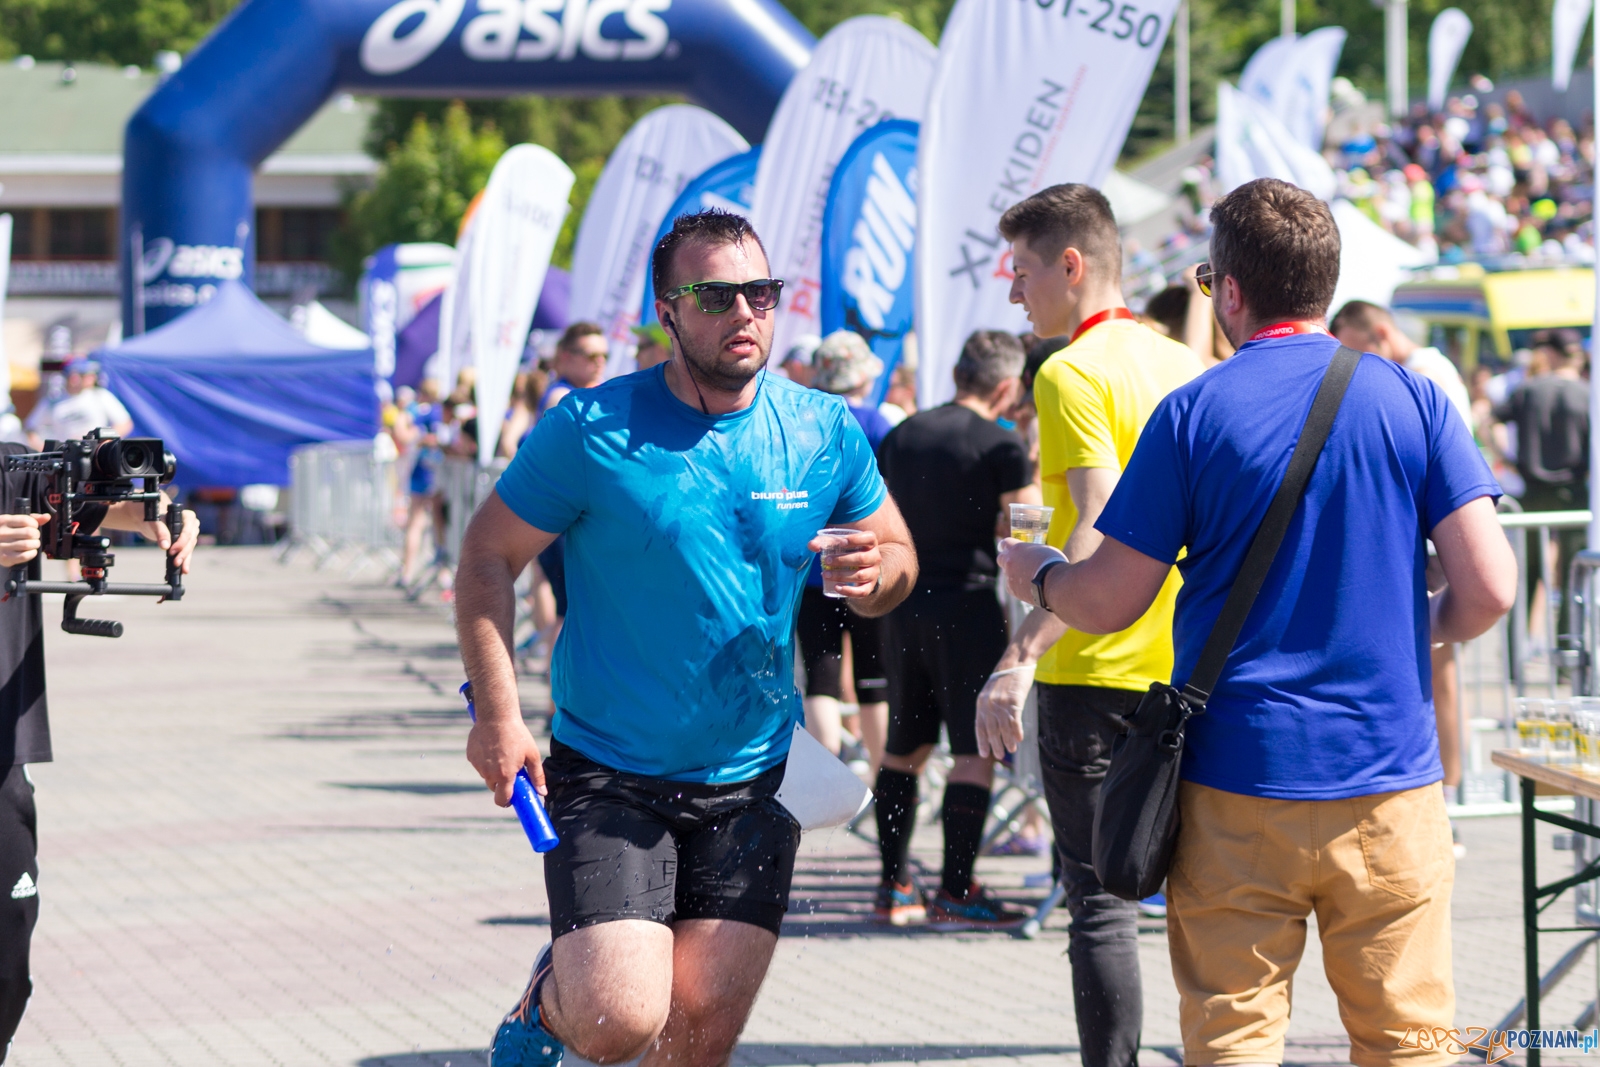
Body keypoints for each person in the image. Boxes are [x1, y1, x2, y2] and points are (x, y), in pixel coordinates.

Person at [996, 177, 1516, 1067]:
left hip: (1237, 783)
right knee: (1410, 1042)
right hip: (1387, 778)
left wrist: (1040, 576)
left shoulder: (1196, 411)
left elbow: (1111, 597)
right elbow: (1493, 588)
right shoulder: (1414, 400)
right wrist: (1415, 629)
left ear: (1229, 290)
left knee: (1234, 1038)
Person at [454, 209, 916, 1067]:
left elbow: (897, 556)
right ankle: (544, 1000)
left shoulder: (822, 428)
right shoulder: (592, 430)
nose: (744, 313)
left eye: (761, 293)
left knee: (697, 1038)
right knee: (621, 1016)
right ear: (668, 310)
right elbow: (486, 555)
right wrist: (498, 713)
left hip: (754, 776)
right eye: (715, 295)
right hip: (609, 769)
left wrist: (873, 575)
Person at [973, 183, 1202, 1067]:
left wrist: (1019, 656)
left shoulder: (1068, 370)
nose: (1012, 291)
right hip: (1190, 669)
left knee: (1101, 904)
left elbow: (1095, 522)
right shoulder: (1184, 360)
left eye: (1022, 271)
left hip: (1095, 671)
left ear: (1072, 265)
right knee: (1203, 894)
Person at [0, 448, 197, 1057]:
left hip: (2, 758)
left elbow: (83, 502)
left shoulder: (9, 466)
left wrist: (160, 515)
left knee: (9, 962)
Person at [871, 329, 1037, 928]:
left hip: (904, 604)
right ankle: (956, 889)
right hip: (967, 608)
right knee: (973, 753)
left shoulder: (904, 432)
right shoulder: (1001, 444)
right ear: (1005, 386)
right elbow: (1027, 533)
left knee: (902, 749)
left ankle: (892, 885)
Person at [1330, 300, 1475, 817]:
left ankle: (1447, 794)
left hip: (1435, 544)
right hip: (1431, 542)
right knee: (1432, 671)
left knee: (1438, 673)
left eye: (1352, 345)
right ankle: (1442, 793)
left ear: (1380, 334)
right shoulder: (1423, 374)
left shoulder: (1421, 377)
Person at [798, 329, 893, 768]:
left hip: (814, 562)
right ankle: (880, 776)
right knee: (874, 674)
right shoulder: (877, 423)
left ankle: (826, 773)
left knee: (822, 671)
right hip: (865, 562)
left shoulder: (806, 421)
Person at [1494, 328, 1590, 635]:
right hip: (1573, 495)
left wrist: (1506, 457)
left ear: (1550, 353)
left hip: (1532, 494)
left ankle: (1515, 654)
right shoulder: (1587, 394)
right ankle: (1569, 649)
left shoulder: (1528, 390)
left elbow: (1489, 419)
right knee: (1574, 574)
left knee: (1528, 574)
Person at [24, 358, 132, 447]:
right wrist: (44, 449)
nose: (92, 378)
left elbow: (124, 423)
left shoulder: (100, 396)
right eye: (86, 375)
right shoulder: (53, 401)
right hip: (65, 457)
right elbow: (31, 428)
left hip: (95, 455)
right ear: (73, 377)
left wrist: (104, 443)